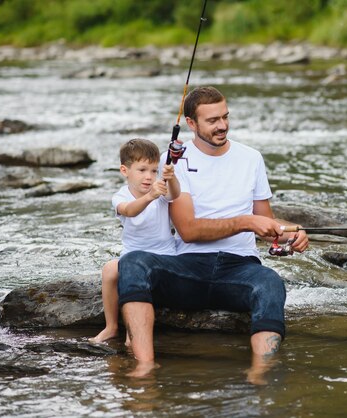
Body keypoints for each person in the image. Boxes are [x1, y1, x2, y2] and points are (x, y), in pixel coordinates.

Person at [117, 86, 309, 380]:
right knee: (133, 263)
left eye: (225, 117)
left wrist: (292, 233)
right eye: (212, 120)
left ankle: (261, 371)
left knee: (270, 282)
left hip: (240, 269)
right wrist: (246, 222)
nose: (222, 125)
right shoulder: (174, 163)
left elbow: (265, 222)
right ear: (191, 124)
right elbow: (189, 230)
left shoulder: (251, 158)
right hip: (188, 268)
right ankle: (144, 365)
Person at [91, 138, 181, 343]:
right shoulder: (120, 196)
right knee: (109, 269)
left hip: (164, 257)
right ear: (125, 171)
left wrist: (171, 178)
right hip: (132, 257)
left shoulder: (161, 189)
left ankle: (133, 335)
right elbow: (129, 211)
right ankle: (111, 326)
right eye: (142, 170)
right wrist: (150, 196)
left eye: (154, 170)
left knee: (133, 336)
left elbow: (175, 194)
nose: (149, 177)